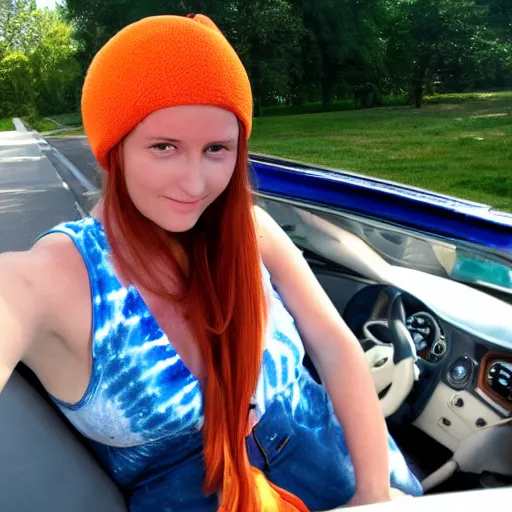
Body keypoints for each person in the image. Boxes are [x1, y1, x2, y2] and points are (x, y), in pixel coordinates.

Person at [0, 13, 422, 512]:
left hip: (357, 474)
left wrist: (373, 493)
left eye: (217, 148)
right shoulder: (45, 278)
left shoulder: (249, 229)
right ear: (113, 149)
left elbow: (335, 347)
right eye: (164, 147)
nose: (196, 184)